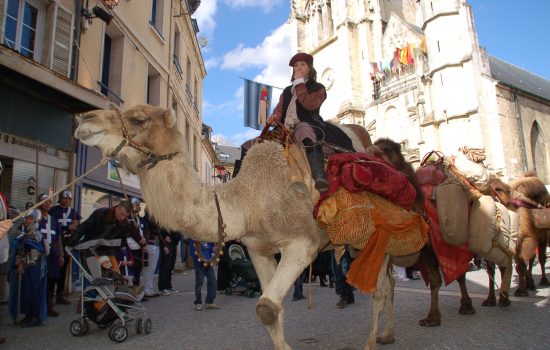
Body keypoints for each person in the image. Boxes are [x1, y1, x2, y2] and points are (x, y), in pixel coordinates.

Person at [266, 52, 354, 193]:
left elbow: (310, 105)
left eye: (302, 65)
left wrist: (300, 84)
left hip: (308, 123)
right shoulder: (287, 91)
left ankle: (319, 176)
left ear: (309, 68)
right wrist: (273, 117)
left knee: (304, 129)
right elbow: (279, 109)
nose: (298, 68)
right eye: (296, 65)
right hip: (285, 129)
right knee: (252, 144)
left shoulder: (318, 88)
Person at [8, 211, 48, 327]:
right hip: (26, 269)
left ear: (35, 220)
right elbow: (21, 250)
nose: (27, 220)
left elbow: (35, 255)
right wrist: (17, 262)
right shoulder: (24, 233)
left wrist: (22, 264)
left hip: (33, 269)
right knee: (26, 292)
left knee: (33, 292)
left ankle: (35, 316)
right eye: (27, 218)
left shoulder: (36, 234)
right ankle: (28, 315)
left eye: (30, 218)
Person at [48, 190, 81, 305]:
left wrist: (76, 227)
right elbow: (52, 227)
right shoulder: (53, 211)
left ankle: (60, 295)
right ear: (60, 199)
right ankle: (49, 297)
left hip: (67, 244)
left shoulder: (73, 212)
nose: (66, 200)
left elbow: (77, 227)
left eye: (68, 199)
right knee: (53, 271)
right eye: (64, 198)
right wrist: (68, 227)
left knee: (63, 272)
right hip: (56, 243)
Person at [190, 240, 220, 311]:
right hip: (199, 264)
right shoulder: (195, 239)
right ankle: (198, 303)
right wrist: (199, 259)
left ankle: (209, 302)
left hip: (209, 263)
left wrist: (213, 251)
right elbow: (192, 251)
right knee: (199, 283)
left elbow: (211, 250)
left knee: (212, 282)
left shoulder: (209, 238)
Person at [127, 198, 146, 286]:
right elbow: (132, 231)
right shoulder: (129, 217)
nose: (139, 207)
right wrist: (140, 241)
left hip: (138, 246)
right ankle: (132, 289)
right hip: (132, 245)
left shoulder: (136, 217)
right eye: (137, 205)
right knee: (133, 269)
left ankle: (137, 289)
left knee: (138, 269)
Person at [143, 214, 163, 298]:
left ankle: (150, 289)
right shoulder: (148, 217)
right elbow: (155, 224)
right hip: (150, 243)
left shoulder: (152, 216)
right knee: (149, 268)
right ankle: (147, 290)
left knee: (152, 268)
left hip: (155, 243)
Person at [158, 229, 181, 295]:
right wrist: (164, 237)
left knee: (171, 266)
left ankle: (168, 286)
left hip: (174, 243)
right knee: (165, 266)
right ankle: (162, 288)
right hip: (167, 243)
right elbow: (160, 228)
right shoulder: (165, 220)